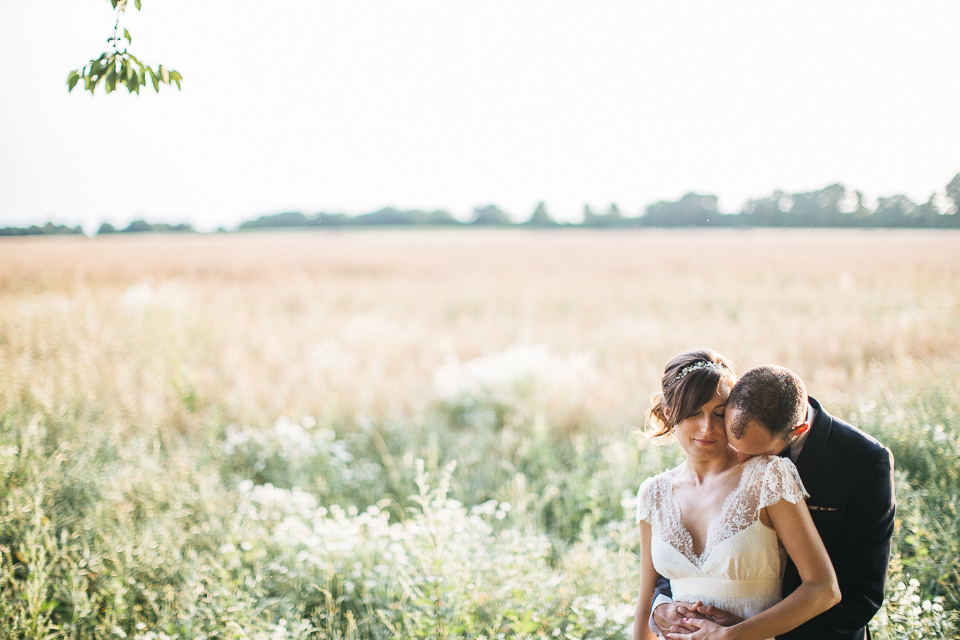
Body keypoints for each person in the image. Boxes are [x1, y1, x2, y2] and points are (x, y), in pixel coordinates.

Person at [651, 365, 895, 640]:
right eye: (734, 444)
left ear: (797, 430)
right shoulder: (747, 407)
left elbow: (862, 596)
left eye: (756, 453)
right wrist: (661, 605)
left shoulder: (864, 461)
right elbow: (691, 538)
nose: (739, 460)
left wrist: (750, 630)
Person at [634, 350, 841, 640]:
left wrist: (732, 635)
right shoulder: (653, 493)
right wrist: (660, 613)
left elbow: (823, 589)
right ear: (669, 414)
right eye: (694, 413)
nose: (707, 428)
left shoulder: (769, 476)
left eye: (719, 414)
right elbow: (645, 605)